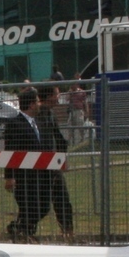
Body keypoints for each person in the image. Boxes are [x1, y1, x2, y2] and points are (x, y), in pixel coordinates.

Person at [2, 86, 47, 243]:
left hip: (39, 176)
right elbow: (10, 151)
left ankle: (18, 229)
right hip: (23, 177)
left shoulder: (38, 123)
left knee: (42, 206)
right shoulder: (15, 124)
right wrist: (9, 177)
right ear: (31, 104)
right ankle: (25, 235)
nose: (40, 104)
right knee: (29, 207)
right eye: (38, 101)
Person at [35, 85, 75, 238]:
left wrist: (62, 158)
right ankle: (21, 229)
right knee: (40, 205)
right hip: (40, 166)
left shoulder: (50, 114)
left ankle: (68, 231)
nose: (58, 97)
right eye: (56, 94)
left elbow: (58, 138)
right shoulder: (38, 116)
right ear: (49, 96)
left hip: (53, 165)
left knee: (62, 199)